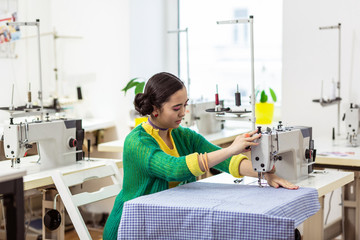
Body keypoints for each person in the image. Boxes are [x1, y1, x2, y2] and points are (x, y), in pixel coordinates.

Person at [103, 72, 298, 240]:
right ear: (155, 109)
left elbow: (227, 161)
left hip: (165, 222)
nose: (184, 113)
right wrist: (231, 148)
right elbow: (174, 169)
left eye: (185, 105)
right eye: (176, 108)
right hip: (133, 227)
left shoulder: (182, 135)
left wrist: (265, 175)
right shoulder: (137, 142)